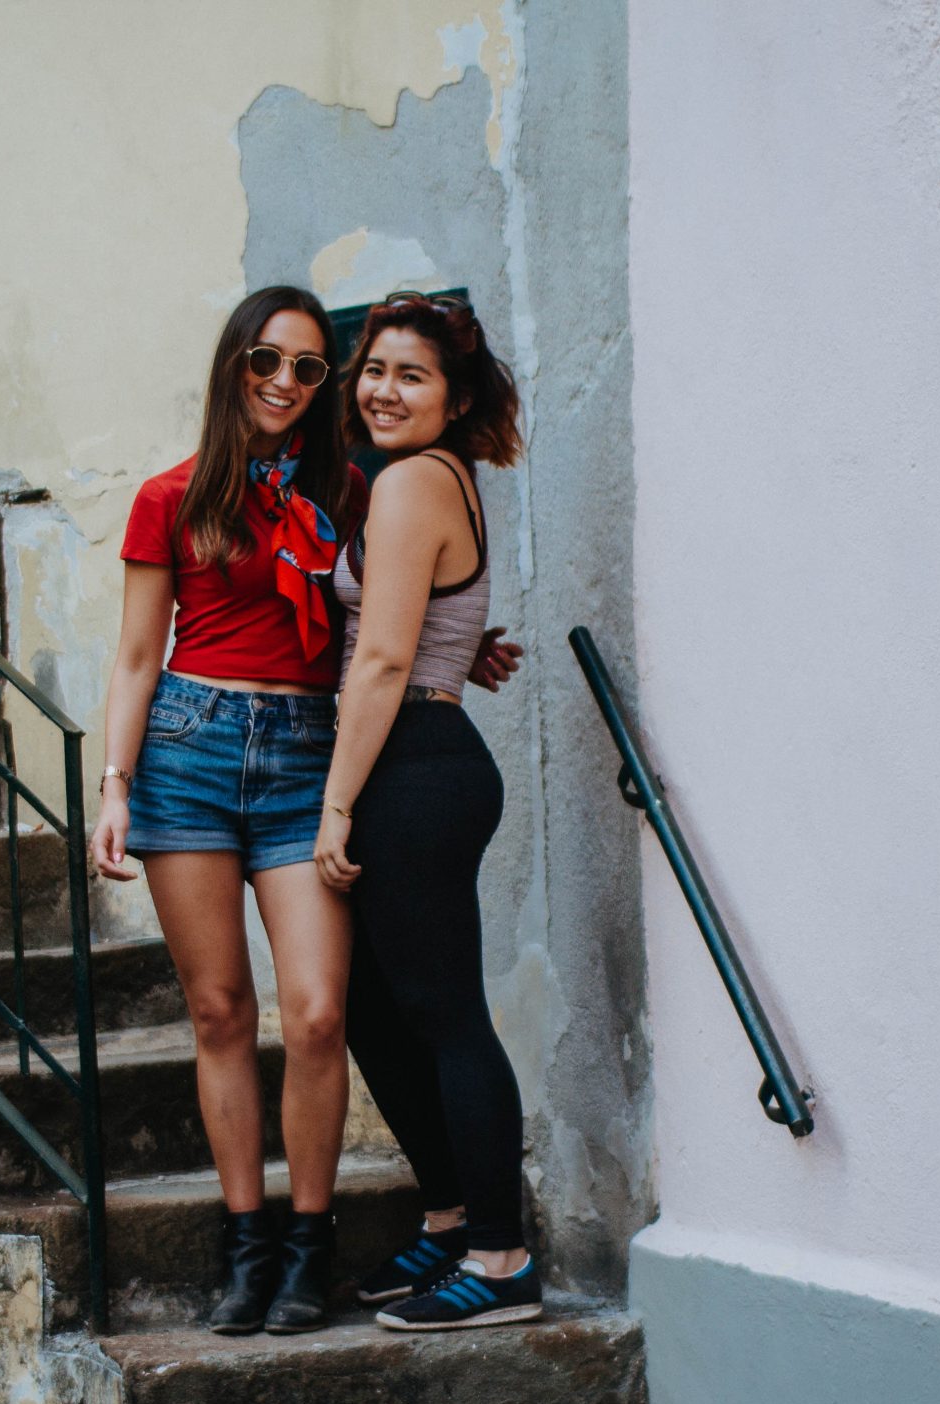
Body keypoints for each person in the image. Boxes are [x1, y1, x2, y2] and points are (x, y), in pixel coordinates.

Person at [89, 285, 520, 1335]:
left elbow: (381, 619)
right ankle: (250, 1244)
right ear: (232, 366)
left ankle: (314, 1246)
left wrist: (456, 653)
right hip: (188, 750)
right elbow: (139, 655)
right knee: (220, 1012)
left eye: (306, 366)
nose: (286, 382)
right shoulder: (169, 497)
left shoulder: (351, 486)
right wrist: (113, 782)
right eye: (264, 362)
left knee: (324, 1011)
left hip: (303, 757)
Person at [314, 292, 543, 1331]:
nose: (382, 389)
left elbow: (386, 658)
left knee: (445, 1014)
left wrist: (335, 805)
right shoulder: (423, 478)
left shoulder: (410, 482)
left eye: (411, 375)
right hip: (413, 754)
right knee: (370, 1009)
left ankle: (500, 1260)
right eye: (372, 369)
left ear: (451, 400)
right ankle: (451, 1214)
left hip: (410, 766)